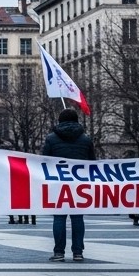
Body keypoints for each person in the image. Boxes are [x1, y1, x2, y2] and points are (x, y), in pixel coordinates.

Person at [42, 108, 94, 262]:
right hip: (79, 185)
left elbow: (44, 161)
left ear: (60, 121)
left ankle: (59, 252)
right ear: (77, 121)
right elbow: (92, 162)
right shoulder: (86, 140)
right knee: (78, 218)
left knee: (59, 218)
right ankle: (78, 252)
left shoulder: (51, 139)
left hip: (58, 184)